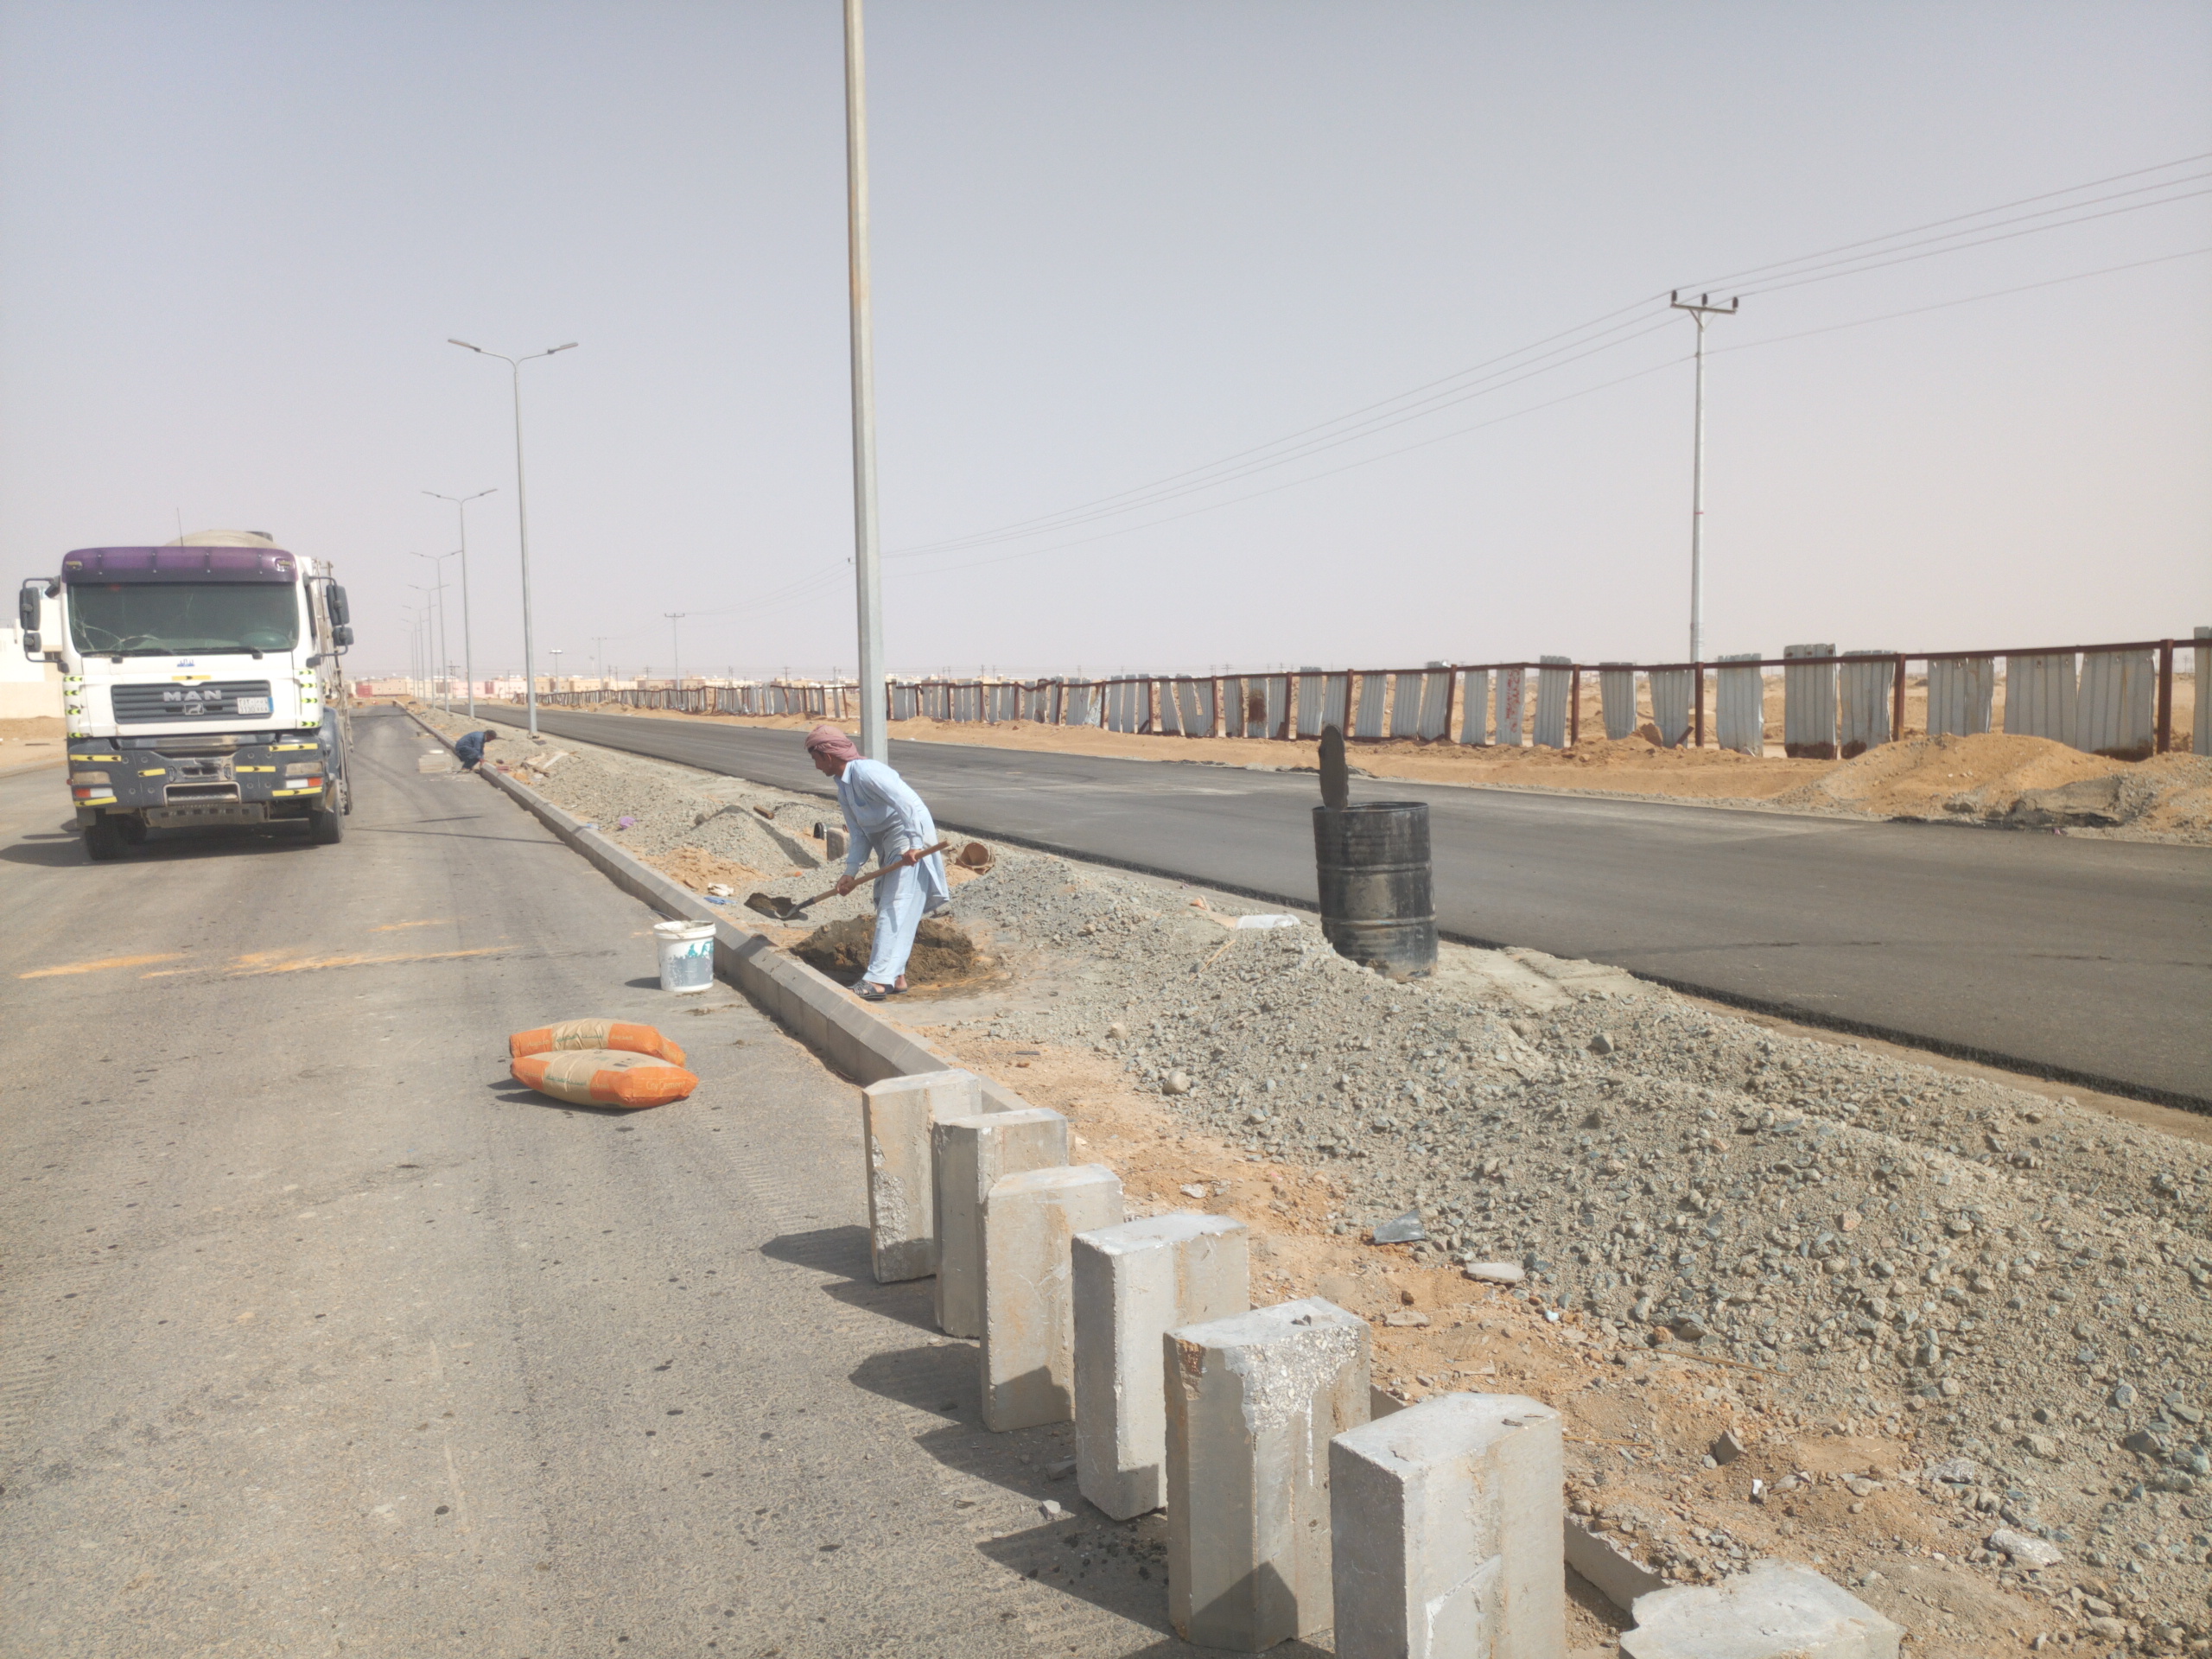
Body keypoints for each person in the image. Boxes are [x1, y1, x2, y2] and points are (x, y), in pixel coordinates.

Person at [805, 724, 950, 1001]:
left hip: (907, 834)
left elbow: (906, 804)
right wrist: (850, 872)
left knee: (896, 904)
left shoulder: (868, 771)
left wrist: (914, 844)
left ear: (828, 756)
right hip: (887, 840)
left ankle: (877, 980)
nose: (816, 766)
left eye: (816, 759)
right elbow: (859, 835)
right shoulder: (843, 787)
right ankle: (896, 976)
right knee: (887, 900)